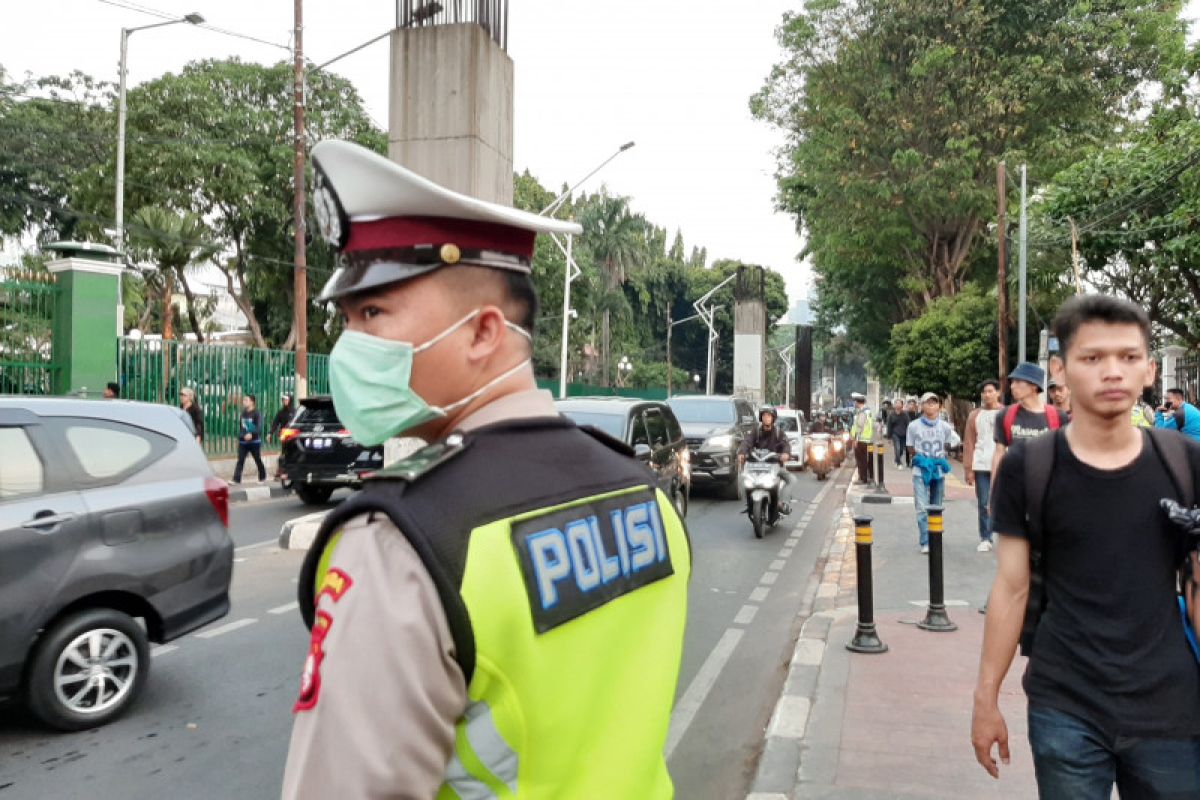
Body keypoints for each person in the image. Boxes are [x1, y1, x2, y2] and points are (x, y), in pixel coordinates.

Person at [282, 140, 690, 799]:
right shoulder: (644, 494)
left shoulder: (401, 542)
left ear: (482, 332)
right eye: (349, 319)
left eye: (374, 314)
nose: (349, 346)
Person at [972, 295, 1200, 796]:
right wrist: (985, 699)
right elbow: (1010, 589)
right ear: (1061, 370)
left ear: (1148, 370)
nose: (1113, 372)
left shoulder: (1186, 464)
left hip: (1170, 705)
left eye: (1129, 357)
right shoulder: (1028, 470)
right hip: (1064, 703)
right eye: (1093, 358)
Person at [990, 361, 1064, 478]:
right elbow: (999, 453)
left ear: (1034, 386)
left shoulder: (1059, 417)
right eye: (1012, 382)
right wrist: (994, 490)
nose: (1012, 386)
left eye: (1018, 381)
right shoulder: (1005, 415)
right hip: (1015, 484)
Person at [906, 392, 955, 554]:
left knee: (936, 506)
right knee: (921, 507)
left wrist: (938, 459)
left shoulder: (946, 427)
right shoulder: (913, 426)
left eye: (934, 403)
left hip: (939, 470)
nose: (930, 406)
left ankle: (935, 537)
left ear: (939, 406)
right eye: (927, 403)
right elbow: (910, 448)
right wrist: (922, 460)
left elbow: (948, 444)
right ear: (922, 405)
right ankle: (925, 540)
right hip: (920, 470)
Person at [963, 380, 1001, 553]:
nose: (987, 394)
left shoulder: (1006, 413)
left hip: (1003, 466)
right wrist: (968, 469)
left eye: (991, 391)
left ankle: (1007, 536)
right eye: (984, 391)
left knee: (1004, 503)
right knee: (984, 503)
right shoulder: (974, 415)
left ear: (998, 393)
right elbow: (969, 443)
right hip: (981, 466)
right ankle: (986, 537)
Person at [738, 405, 794, 514]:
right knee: (742, 478)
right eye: (764, 415)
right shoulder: (755, 431)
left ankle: (782, 503)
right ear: (761, 417)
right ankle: (749, 502)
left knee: (792, 479)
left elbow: (786, 445)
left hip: (774, 466)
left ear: (773, 418)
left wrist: (786, 454)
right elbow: (746, 442)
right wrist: (742, 452)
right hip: (755, 467)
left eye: (769, 415)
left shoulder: (779, 433)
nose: (766, 418)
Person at [232, 393, 266, 484]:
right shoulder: (243, 413)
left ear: (252, 402)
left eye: (246, 400)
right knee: (240, 460)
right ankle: (236, 479)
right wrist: (240, 437)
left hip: (254, 442)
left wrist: (252, 434)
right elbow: (241, 427)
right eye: (243, 400)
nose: (244, 402)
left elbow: (259, 427)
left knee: (257, 459)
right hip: (243, 442)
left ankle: (262, 477)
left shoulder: (257, 413)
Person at [849, 392, 874, 484]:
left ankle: (862, 478)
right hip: (866, 439)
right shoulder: (867, 412)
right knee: (864, 460)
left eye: (855, 401)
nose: (854, 403)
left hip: (861, 439)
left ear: (858, 402)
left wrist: (855, 438)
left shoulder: (863, 412)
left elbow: (859, 426)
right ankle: (866, 477)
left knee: (861, 460)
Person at [886, 399, 913, 469]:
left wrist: (910, 434)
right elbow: (889, 426)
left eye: (899, 403)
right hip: (895, 434)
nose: (898, 405)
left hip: (904, 435)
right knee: (897, 449)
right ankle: (899, 463)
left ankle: (896, 460)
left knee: (901, 450)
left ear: (902, 405)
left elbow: (909, 425)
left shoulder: (905, 414)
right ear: (894, 405)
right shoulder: (891, 415)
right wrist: (889, 437)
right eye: (896, 403)